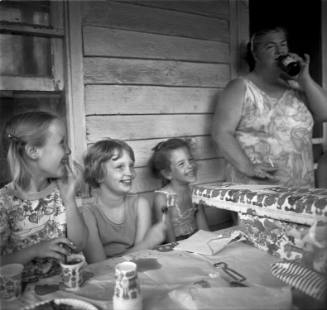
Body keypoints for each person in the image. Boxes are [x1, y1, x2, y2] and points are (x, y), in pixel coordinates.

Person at [212, 26, 327, 188]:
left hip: (299, 190)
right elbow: (221, 133)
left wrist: (305, 79)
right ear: (255, 53)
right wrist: (248, 167)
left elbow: (324, 114)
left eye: (283, 44)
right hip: (257, 190)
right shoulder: (240, 87)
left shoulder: (296, 87)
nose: (280, 51)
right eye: (270, 46)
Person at [0, 111, 88, 283]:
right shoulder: (4, 202)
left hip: (68, 287)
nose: (69, 150)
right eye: (62, 143)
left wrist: (69, 199)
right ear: (33, 151)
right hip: (24, 297)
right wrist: (34, 250)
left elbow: (79, 245)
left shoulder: (62, 190)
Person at [81, 138, 167, 263]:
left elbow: (140, 256)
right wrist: (149, 242)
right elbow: (99, 266)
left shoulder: (140, 205)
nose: (129, 173)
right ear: (99, 175)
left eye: (131, 166)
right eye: (119, 167)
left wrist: (145, 245)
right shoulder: (87, 213)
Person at [149, 138, 209, 242]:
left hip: (196, 245)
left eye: (190, 160)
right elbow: (170, 241)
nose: (190, 166)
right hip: (174, 250)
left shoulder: (195, 193)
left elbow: (204, 230)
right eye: (181, 164)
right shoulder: (162, 199)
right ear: (168, 173)